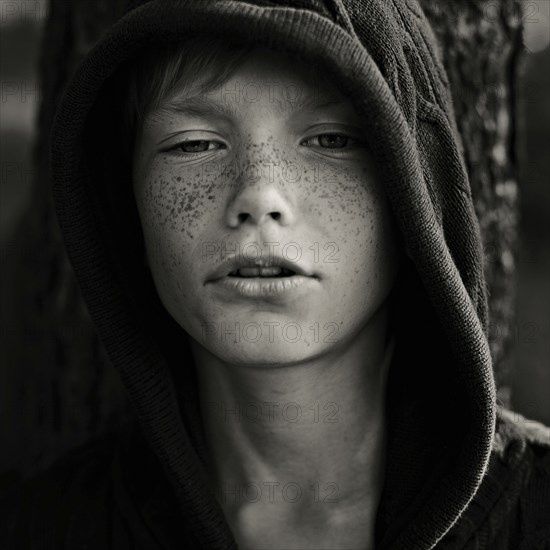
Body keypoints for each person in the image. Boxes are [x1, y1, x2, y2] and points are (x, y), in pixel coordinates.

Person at [3, 0, 549, 548]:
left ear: (415, 191)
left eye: (331, 140)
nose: (259, 195)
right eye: (194, 144)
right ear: (127, 208)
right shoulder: (43, 530)